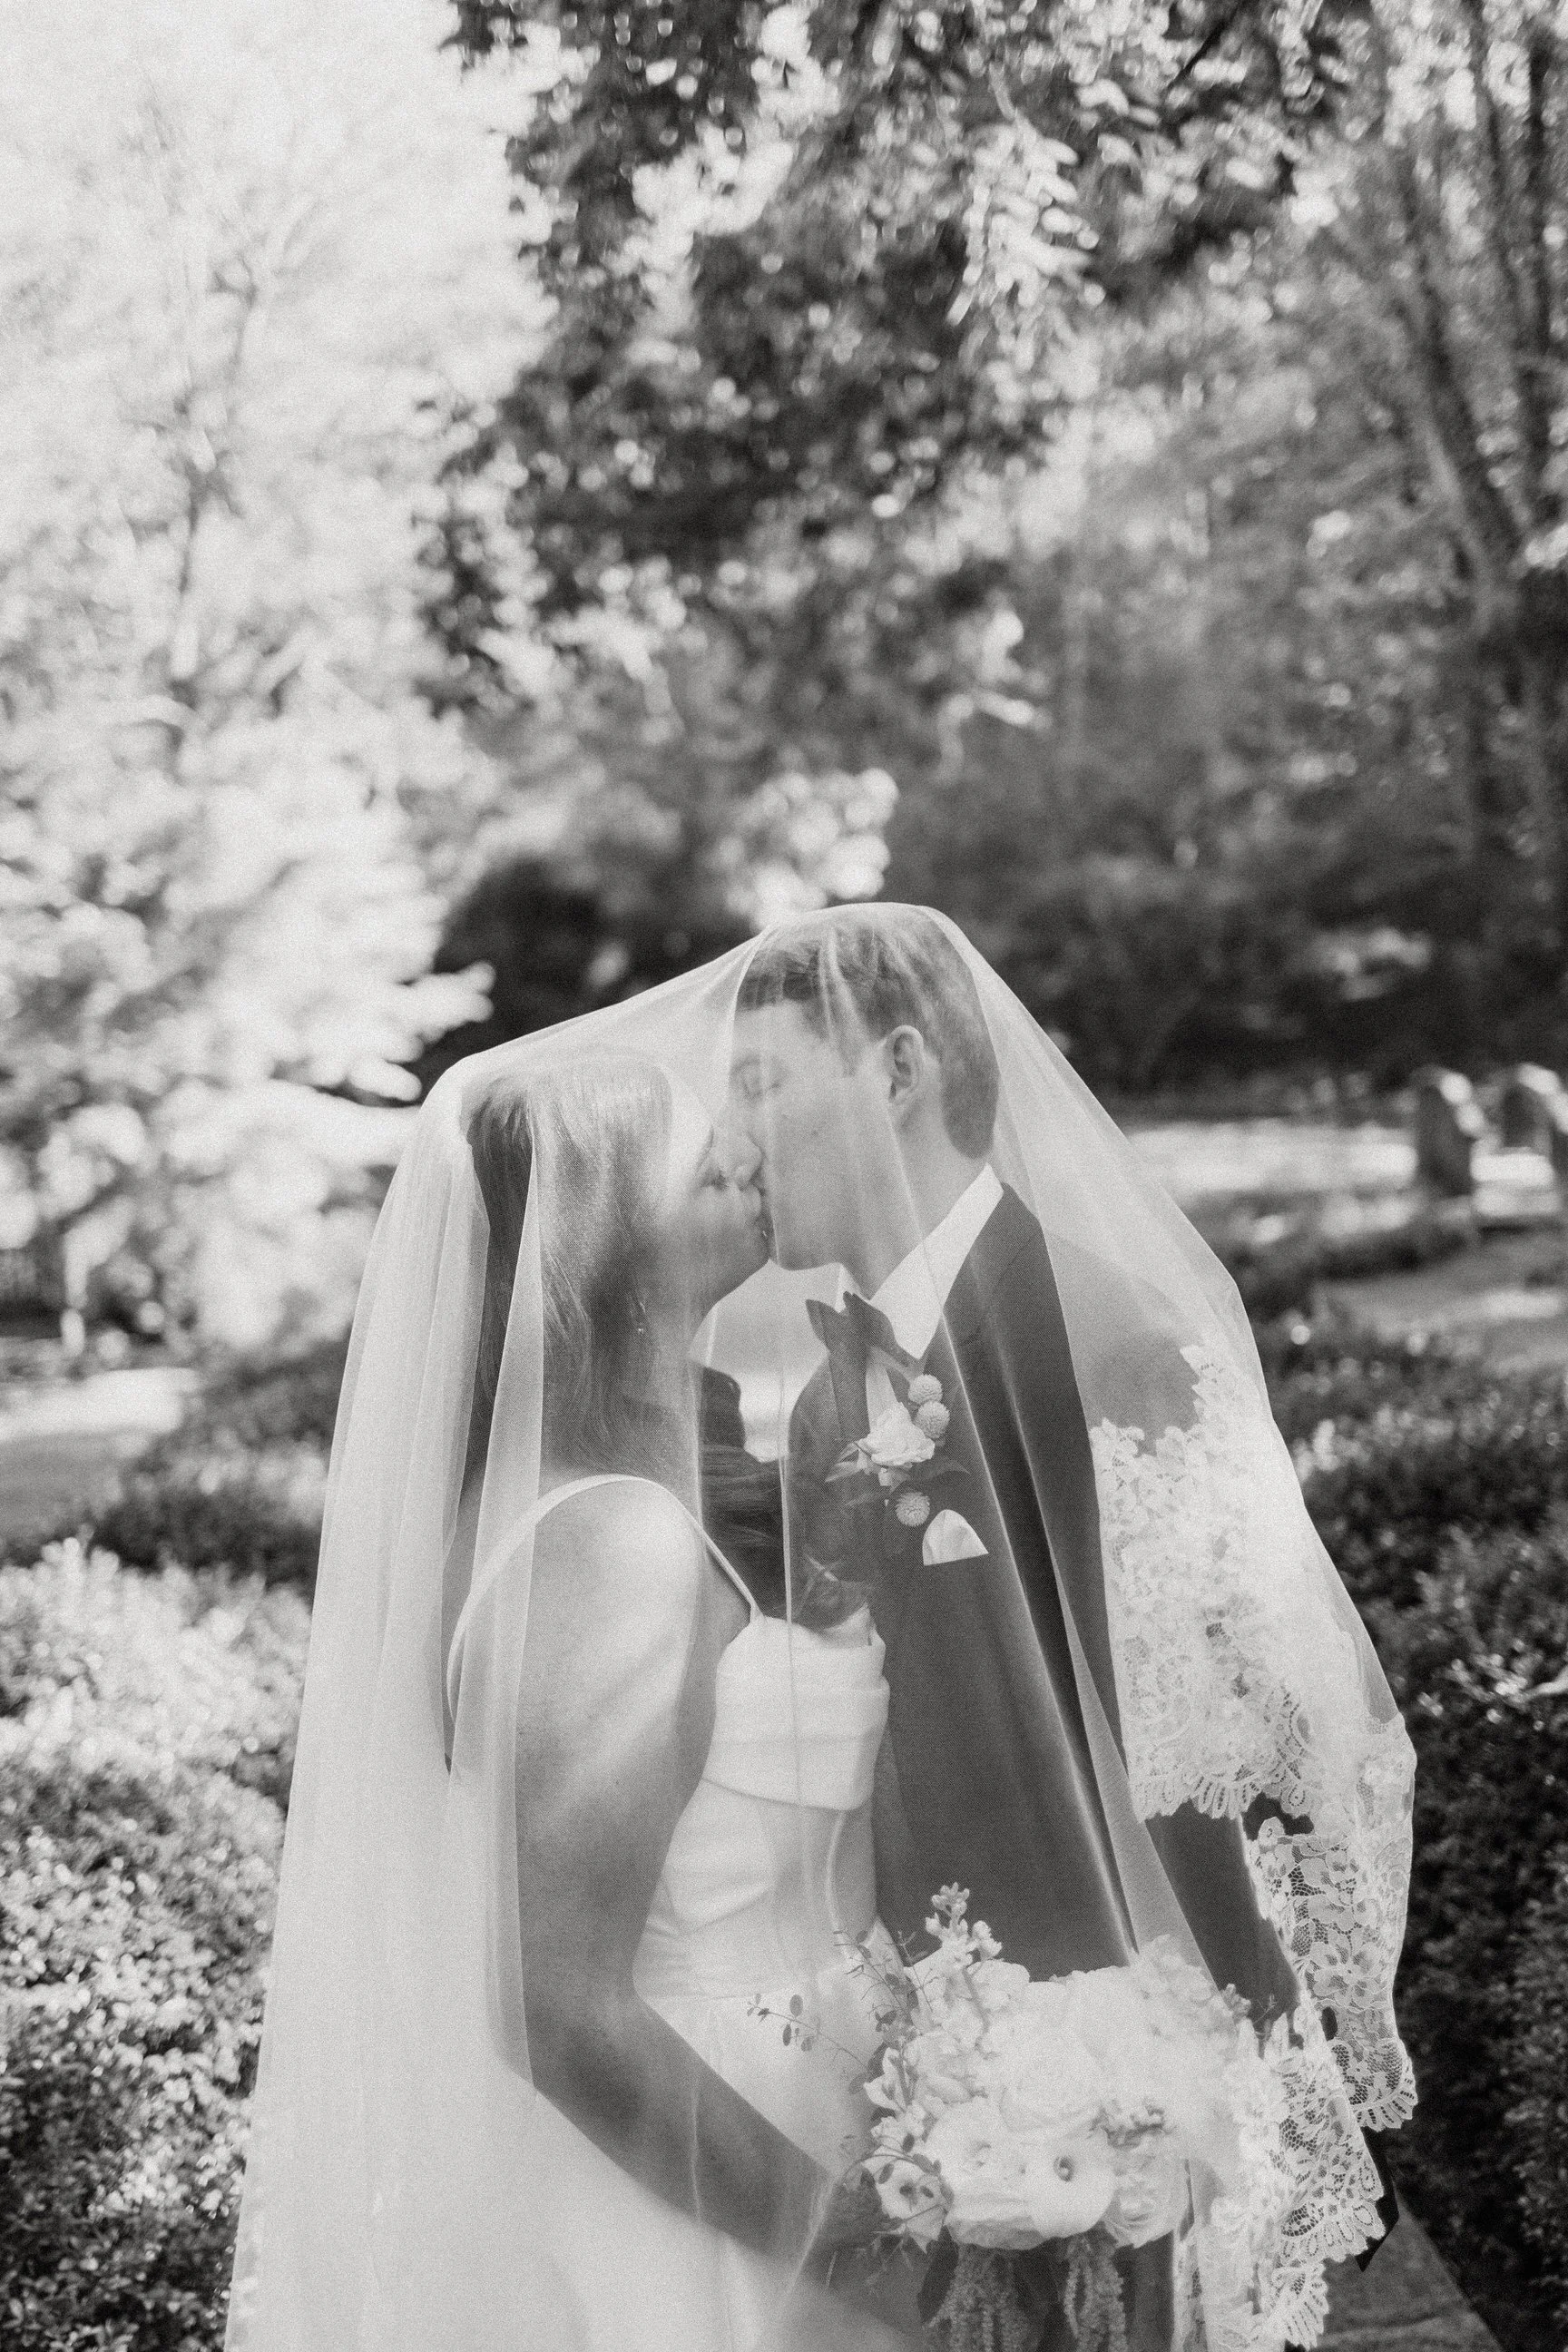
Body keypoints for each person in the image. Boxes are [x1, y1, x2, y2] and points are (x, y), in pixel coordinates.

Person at [731, 906, 1413, 2350]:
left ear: (899, 1069)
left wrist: (1188, 2095)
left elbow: (1257, 1753)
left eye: (766, 1083)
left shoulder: (1118, 1345)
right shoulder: (826, 1398)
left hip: (1125, 2106)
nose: (737, 1144)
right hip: (934, 2088)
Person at [228, 1047, 917, 2352]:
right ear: (591, 1226)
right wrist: (847, 2253)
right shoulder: (607, 1544)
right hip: (703, 2217)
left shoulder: (639, 1485)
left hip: (787, 2124)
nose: (738, 1149)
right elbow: (561, 2009)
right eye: (686, 1141)